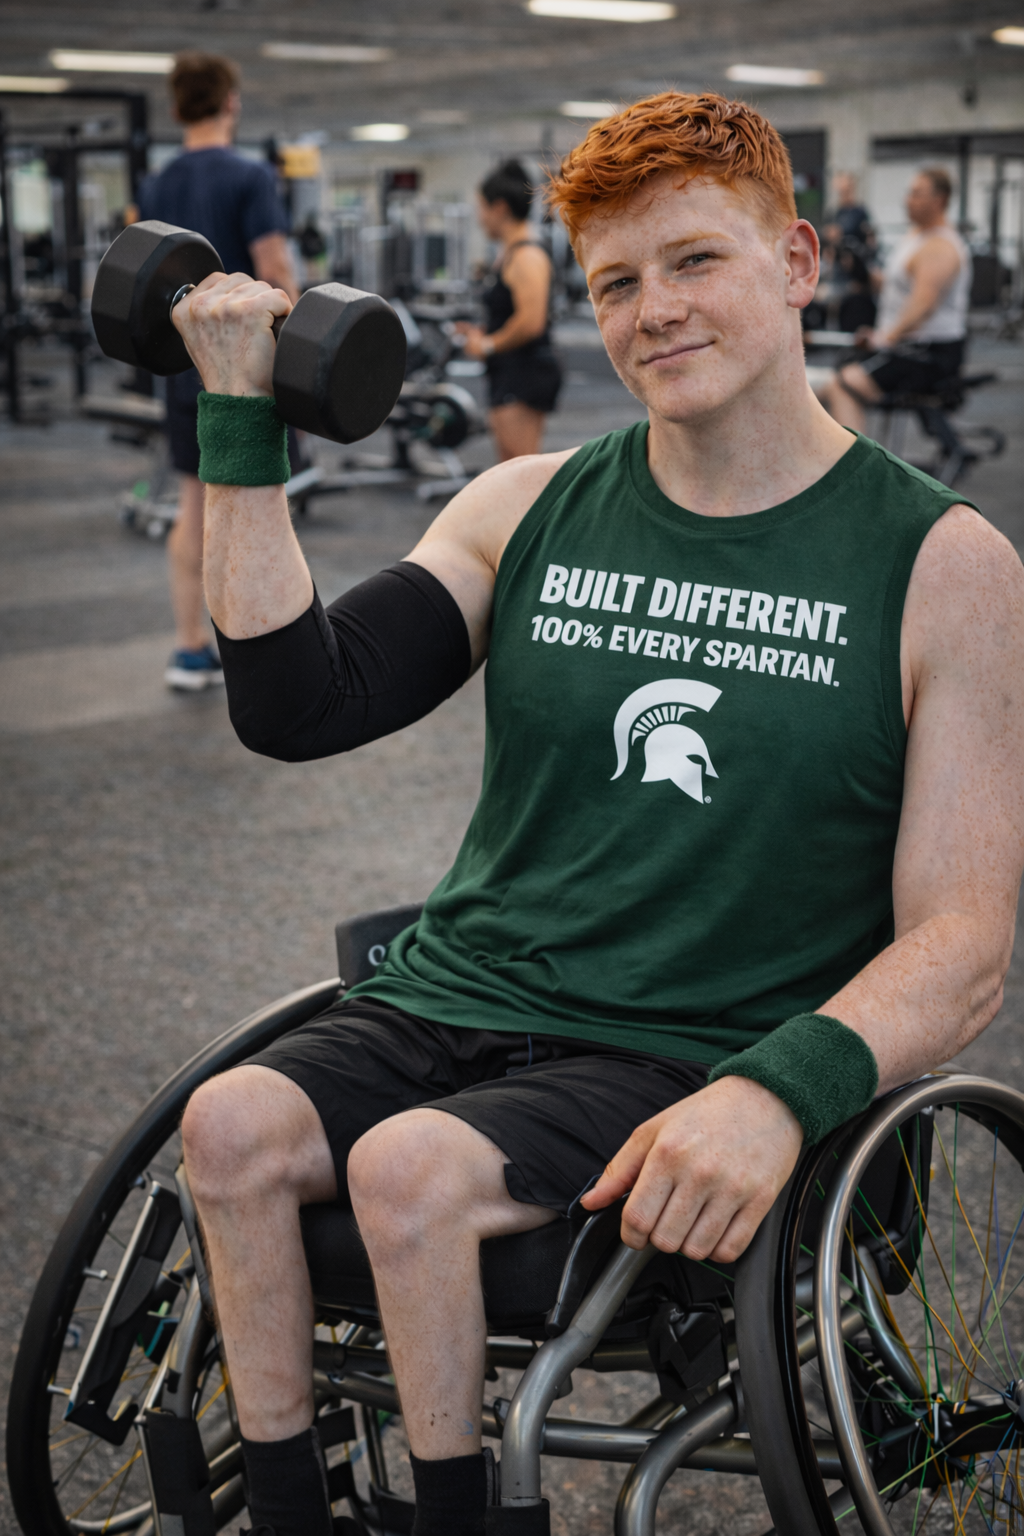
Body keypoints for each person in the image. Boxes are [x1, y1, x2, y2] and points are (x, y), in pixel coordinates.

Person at [173, 92, 1024, 1536]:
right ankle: (280, 1503)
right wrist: (240, 412)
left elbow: (964, 944)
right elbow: (295, 705)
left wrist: (778, 1090)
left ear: (801, 263)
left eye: (695, 261)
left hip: (697, 1037)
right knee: (229, 1123)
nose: (654, 312)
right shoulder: (525, 505)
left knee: (409, 1169)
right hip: (465, 988)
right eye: (618, 283)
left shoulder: (946, 566)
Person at [135, 52, 297, 691]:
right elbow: (276, 273)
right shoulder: (251, 176)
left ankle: (189, 648)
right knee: (253, 496)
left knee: (191, 503)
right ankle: (255, 648)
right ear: (231, 103)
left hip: (181, 364)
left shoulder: (157, 184)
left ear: (176, 109)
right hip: (243, 364)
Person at [821, 166, 972, 433]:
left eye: (916, 194)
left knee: (843, 384)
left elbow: (923, 305)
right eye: (909, 193)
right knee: (831, 384)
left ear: (940, 200)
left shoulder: (940, 247)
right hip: (908, 348)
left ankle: (857, 471)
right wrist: (860, 270)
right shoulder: (915, 237)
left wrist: (885, 337)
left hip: (930, 355)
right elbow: (891, 287)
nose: (907, 200)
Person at [457, 160, 562, 459]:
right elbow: (507, 313)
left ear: (499, 208)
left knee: (520, 474)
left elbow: (531, 322)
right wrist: (480, 333)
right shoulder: (509, 254)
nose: (480, 218)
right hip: (509, 370)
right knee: (510, 467)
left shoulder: (526, 255)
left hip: (524, 373)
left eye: (482, 208)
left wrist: (488, 344)